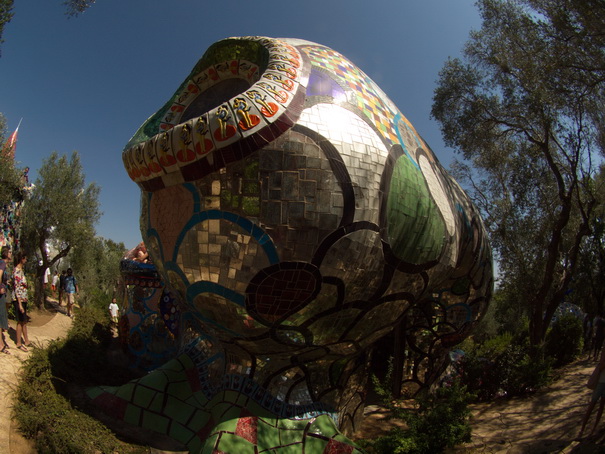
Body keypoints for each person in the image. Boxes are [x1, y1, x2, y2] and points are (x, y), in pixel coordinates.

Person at [580, 347, 605, 438]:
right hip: (600, 381)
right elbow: (601, 365)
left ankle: (593, 430)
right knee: (592, 404)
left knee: (601, 407)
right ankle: (582, 430)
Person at [12, 251, 30, 352]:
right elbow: (17, 288)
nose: (26, 260)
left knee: (24, 321)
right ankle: (19, 342)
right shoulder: (17, 271)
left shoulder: (21, 270)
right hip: (19, 300)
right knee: (20, 321)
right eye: (25, 258)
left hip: (24, 299)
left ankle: (26, 340)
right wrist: (19, 304)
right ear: (22, 259)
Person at [0, 246, 12, 354]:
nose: (11, 254)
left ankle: (1, 343)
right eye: (10, 252)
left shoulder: (3, 263)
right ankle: (1, 344)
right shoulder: (3, 263)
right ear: (6, 253)